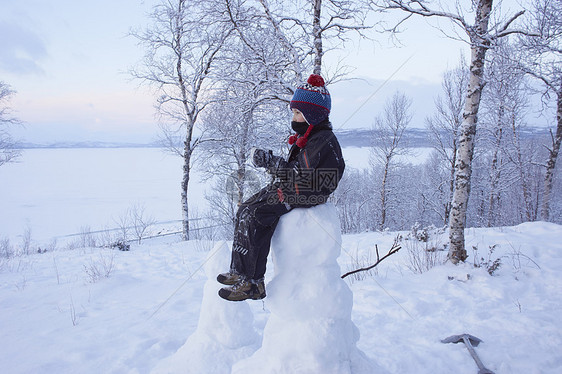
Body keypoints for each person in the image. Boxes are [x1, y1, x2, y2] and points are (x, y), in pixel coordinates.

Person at [217, 74, 345, 301]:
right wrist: (272, 163)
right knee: (245, 208)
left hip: (306, 193)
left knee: (257, 214)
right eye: (294, 112)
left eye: (298, 113)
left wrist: (271, 163)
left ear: (312, 114)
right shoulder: (309, 137)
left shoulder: (321, 140)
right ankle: (239, 271)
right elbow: (295, 171)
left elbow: (301, 176)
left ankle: (253, 282)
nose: (294, 117)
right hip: (296, 186)